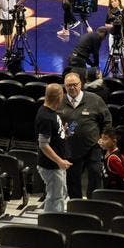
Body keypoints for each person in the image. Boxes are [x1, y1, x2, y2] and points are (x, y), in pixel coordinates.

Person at [59, 72, 112, 199]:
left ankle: (92, 202)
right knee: (72, 179)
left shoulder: (95, 99)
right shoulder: (60, 101)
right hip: (70, 148)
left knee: (95, 174)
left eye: (75, 85)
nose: (72, 88)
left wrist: (103, 138)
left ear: (81, 84)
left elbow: (107, 120)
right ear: (65, 86)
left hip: (92, 146)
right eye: (68, 85)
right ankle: (75, 203)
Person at [36, 82, 72, 212]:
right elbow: (43, 144)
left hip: (56, 165)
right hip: (51, 166)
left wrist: (63, 131)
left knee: (60, 194)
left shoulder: (51, 112)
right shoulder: (46, 116)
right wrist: (60, 161)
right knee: (55, 198)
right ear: (60, 97)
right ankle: (52, 225)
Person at [104, 0, 124, 77]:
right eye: (112, 1)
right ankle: (112, 74)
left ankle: (123, 74)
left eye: (115, 0)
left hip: (123, 37)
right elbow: (106, 24)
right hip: (112, 36)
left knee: (123, 55)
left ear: (119, 1)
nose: (113, 3)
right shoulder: (110, 12)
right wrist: (113, 26)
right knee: (112, 55)